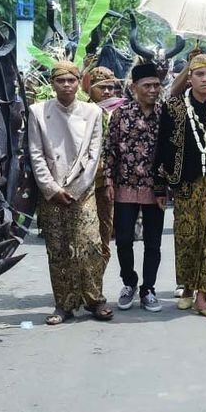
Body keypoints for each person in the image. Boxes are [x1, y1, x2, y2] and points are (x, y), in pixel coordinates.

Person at [28, 60, 112, 324]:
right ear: (52, 83)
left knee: (91, 245)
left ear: (79, 83)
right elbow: (36, 153)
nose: (66, 85)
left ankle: (95, 300)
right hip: (50, 190)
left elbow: (93, 154)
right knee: (58, 248)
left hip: (83, 190)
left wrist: (75, 189)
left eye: (71, 80)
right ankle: (64, 304)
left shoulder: (93, 112)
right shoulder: (38, 112)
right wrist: (51, 189)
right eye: (60, 80)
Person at [155, 52, 206, 318]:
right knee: (187, 236)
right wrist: (160, 186)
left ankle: (203, 296)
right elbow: (163, 149)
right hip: (185, 184)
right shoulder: (175, 106)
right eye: (199, 74)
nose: (204, 79)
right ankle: (188, 289)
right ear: (189, 77)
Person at [105, 61, 166, 313]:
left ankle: (148, 288)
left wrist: (164, 187)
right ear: (134, 87)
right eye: (147, 85)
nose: (153, 90)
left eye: (156, 85)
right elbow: (109, 148)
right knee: (124, 240)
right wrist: (108, 179)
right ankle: (129, 282)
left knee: (153, 242)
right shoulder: (121, 114)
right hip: (125, 185)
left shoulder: (166, 114)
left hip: (156, 188)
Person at [87, 65, 123, 271]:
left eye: (110, 87)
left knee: (104, 230)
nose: (107, 92)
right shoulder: (79, 110)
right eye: (101, 87)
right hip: (83, 182)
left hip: (107, 183)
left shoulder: (119, 112)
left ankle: (97, 277)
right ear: (89, 88)